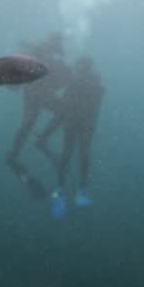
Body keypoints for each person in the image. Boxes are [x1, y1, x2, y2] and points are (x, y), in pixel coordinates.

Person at [35, 56, 104, 219]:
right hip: (82, 123)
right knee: (79, 154)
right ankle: (78, 189)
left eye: (81, 67)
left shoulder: (83, 84)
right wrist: (45, 135)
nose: (79, 70)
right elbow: (64, 111)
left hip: (78, 123)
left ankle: (63, 189)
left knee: (72, 154)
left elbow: (61, 113)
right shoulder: (91, 84)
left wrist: (45, 135)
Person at [5, 32, 72, 198]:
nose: (60, 47)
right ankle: (31, 145)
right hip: (36, 93)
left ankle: (15, 154)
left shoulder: (48, 54)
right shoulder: (41, 51)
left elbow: (58, 79)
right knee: (36, 120)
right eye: (58, 43)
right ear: (53, 42)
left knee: (29, 123)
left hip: (36, 93)